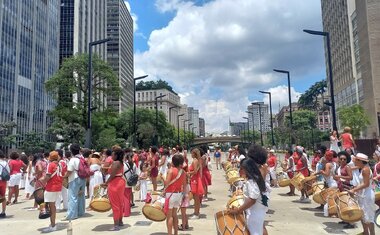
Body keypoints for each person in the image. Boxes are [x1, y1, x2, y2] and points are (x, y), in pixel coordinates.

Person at [229, 158, 269, 235]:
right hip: (259, 211)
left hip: (254, 214)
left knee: (255, 232)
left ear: (248, 169)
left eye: (242, 168)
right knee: (261, 229)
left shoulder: (251, 182)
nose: (240, 170)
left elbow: (252, 200)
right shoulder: (257, 180)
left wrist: (238, 210)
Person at [349, 153, 376, 235]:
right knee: (364, 216)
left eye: (356, 160)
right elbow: (363, 183)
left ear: (360, 161)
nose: (354, 161)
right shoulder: (364, 169)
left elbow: (366, 184)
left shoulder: (365, 170)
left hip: (366, 196)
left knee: (368, 218)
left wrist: (354, 190)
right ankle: (366, 233)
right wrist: (355, 188)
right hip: (363, 195)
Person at [102, 148, 125, 231]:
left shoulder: (115, 163)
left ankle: (116, 225)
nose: (111, 155)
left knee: (115, 204)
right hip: (120, 182)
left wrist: (106, 183)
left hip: (115, 183)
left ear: (116, 155)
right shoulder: (121, 162)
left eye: (113, 154)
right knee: (120, 203)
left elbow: (112, 175)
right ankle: (120, 221)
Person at [42, 151, 66, 232]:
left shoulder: (50, 164)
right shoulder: (59, 164)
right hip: (58, 186)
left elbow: (48, 176)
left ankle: (53, 225)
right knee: (53, 206)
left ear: (50, 157)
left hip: (51, 187)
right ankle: (53, 224)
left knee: (51, 206)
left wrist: (42, 182)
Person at [164, 154, 186, 235]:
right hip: (178, 194)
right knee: (175, 214)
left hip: (170, 194)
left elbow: (166, 183)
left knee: (169, 216)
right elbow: (184, 184)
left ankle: (170, 233)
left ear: (173, 162)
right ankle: (176, 232)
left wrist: (163, 178)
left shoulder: (171, 170)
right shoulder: (183, 172)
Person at [63, 144, 86, 221]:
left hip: (74, 179)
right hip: (83, 178)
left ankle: (72, 215)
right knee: (81, 196)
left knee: (72, 196)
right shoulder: (82, 158)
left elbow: (69, 171)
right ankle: (81, 212)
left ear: (71, 151)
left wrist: (65, 176)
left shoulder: (73, 160)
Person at [333, 151, 354, 229]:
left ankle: (351, 222)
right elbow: (337, 177)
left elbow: (350, 177)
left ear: (347, 160)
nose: (342, 160)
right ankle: (345, 219)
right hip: (341, 187)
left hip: (346, 187)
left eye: (344, 159)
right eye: (341, 159)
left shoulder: (347, 167)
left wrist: (340, 177)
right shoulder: (339, 167)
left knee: (348, 205)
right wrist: (335, 177)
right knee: (343, 205)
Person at [188, 148, 204, 219]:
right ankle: (196, 212)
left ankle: (196, 213)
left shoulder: (195, 161)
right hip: (195, 179)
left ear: (194, 154)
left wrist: (187, 173)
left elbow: (195, 171)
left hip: (194, 180)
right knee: (196, 198)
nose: (191, 154)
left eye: (191, 153)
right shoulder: (197, 161)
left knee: (196, 198)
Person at [122, 151, 135, 217]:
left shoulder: (123, 165)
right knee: (128, 197)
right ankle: (128, 211)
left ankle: (126, 213)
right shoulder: (133, 164)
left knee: (125, 199)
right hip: (130, 183)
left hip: (124, 182)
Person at [0, 150, 10, 218]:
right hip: (3, 181)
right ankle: (3, 212)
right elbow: (8, 171)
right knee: (3, 196)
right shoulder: (5, 163)